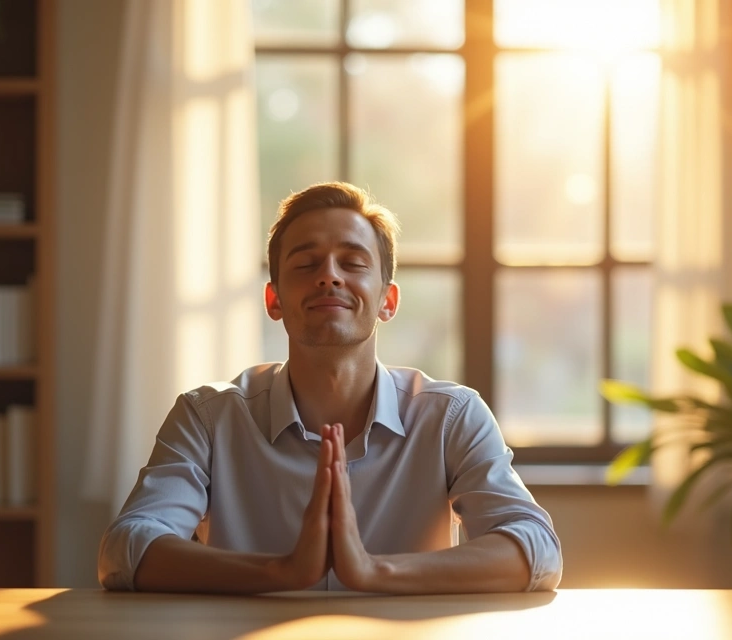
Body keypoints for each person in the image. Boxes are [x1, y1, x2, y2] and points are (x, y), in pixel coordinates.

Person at [98, 182, 562, 593]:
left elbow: (536, 549)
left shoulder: (451, 417)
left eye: (353, 263)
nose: (329, 276)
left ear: (387, 300)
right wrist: (280, 573)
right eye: (305, 264)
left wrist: (375, 572)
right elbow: (126, 549)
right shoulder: (208, 417)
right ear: (274, 300)